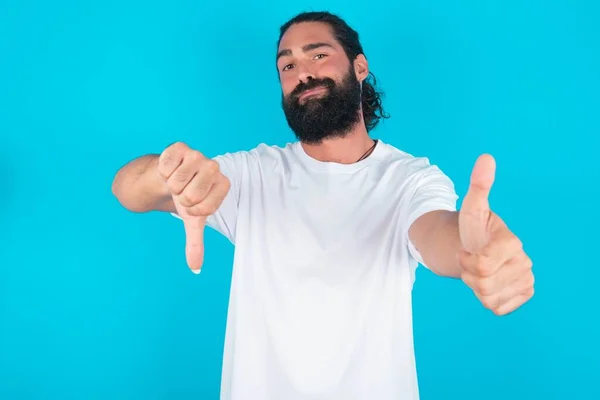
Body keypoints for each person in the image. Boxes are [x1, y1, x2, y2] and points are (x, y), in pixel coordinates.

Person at [112, 10, 534, 400]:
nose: (303, 73)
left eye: (318, 54)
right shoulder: (250, 174)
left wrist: (473, 252)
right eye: (287, 65)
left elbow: (434, 232)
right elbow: (127, 190)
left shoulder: (411, 179)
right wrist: (165, 173)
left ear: (360, 67)